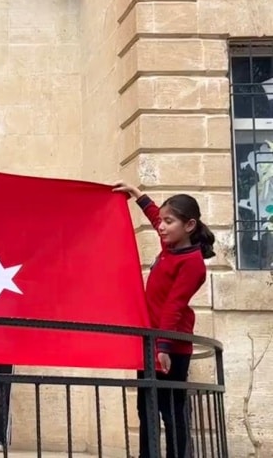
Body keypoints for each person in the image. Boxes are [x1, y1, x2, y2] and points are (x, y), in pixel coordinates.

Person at [115, 183, 213, 458]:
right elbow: (156, 217)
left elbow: (174, 307)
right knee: (145, 407)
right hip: (152, 342)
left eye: (170, 222)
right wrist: (137, 194)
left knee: (171, 411)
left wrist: (164, 348)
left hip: (171, 346)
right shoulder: (170, 246)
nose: (161, 226)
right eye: (163, 221)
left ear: (190, 225)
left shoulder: (191, 262)